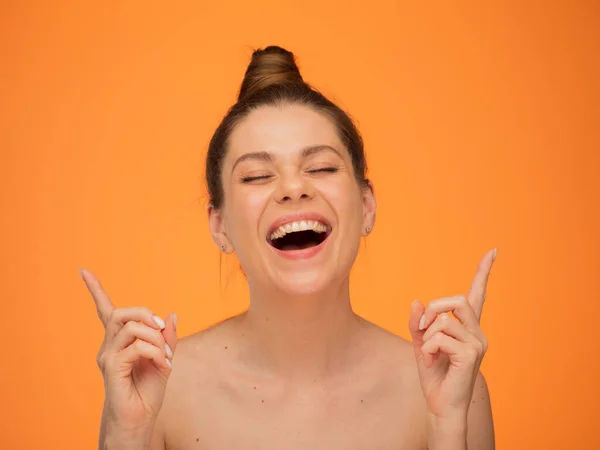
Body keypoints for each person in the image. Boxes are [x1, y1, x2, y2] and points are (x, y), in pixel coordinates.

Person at [80, 45, 496, 450]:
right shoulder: (158, 391)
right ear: (219, 225)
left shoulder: (450, 385)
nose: (294, 188)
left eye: (321, 168)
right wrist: (127, 437)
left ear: (366, 206)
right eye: (257, 176)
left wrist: (446, 428)